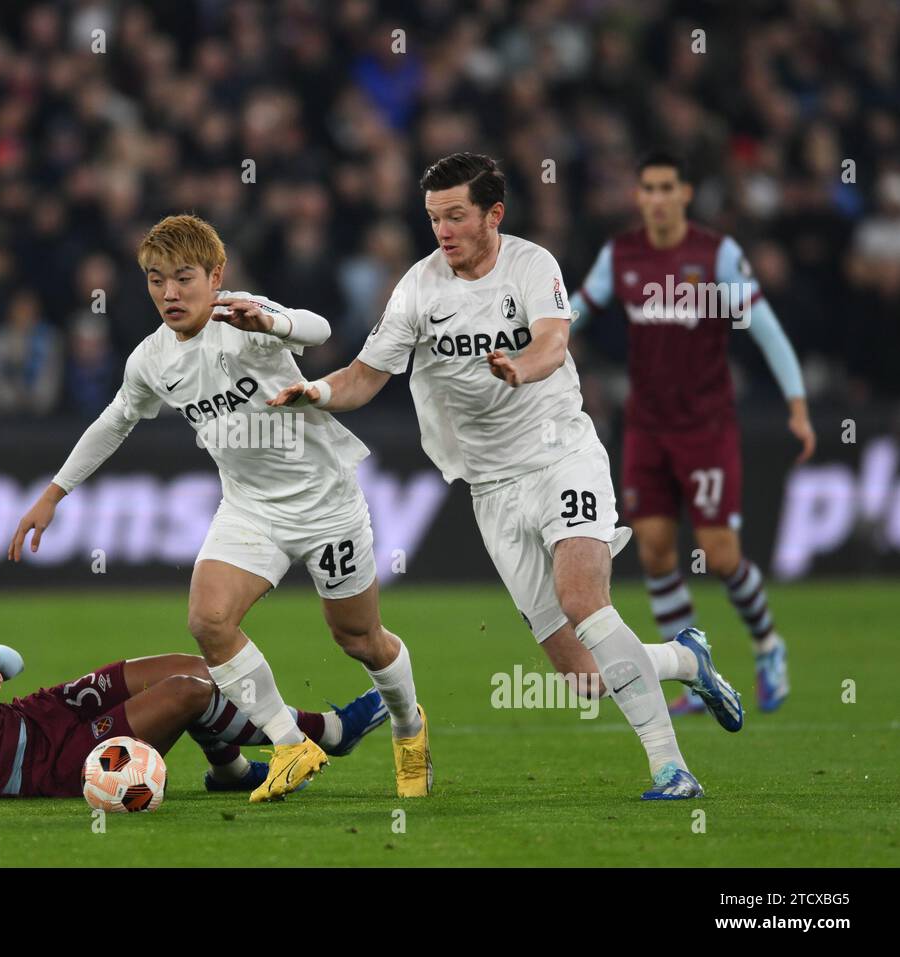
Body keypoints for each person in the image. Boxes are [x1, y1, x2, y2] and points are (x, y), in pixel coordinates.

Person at [270, 152, 743, 800]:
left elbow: (553, 342)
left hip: (560, 456)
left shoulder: (531, 265)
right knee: (582, 673)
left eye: (456, 215)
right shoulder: (417, 287)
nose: (443, 229)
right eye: (434, 216)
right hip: (490, 487)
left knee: (584, 600)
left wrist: (521, 366)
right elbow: (363, 376)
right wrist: (314, 392)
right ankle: (686, 658)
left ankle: (671, 768)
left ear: (494, 213)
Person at [8, 214, 429, 803]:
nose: (170, 294)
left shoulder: (244, 316)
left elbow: (319, 328)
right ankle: (291, 745)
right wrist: (54, 493)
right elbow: (115, 421)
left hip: (325, 504)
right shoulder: (151, 359)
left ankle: (410, 728)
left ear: (215, 276)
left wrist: (274, 320)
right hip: (250, 509)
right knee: (208, 621)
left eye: (183, 279)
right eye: (156, 280)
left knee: (359, 639)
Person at [568, 149, 813, 714]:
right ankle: (696, 674)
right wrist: (532, 340)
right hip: (647, 428)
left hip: (705, 428)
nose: (655, 198)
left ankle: (767, 643)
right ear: (639, 196)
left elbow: (766, 328)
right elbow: (577, 310)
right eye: (646, 188)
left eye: (665, 188)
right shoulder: (621, 255)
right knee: (654, 552)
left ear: (684, 194)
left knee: (720, 556)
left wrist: (796, 403)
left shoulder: (715, 253)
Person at [0, 597, 386, 807]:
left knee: (197, 665)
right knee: (193, 693)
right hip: (46, 768)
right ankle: (328, 731)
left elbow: (9, 663)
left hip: (39, 715)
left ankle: (227, 771)